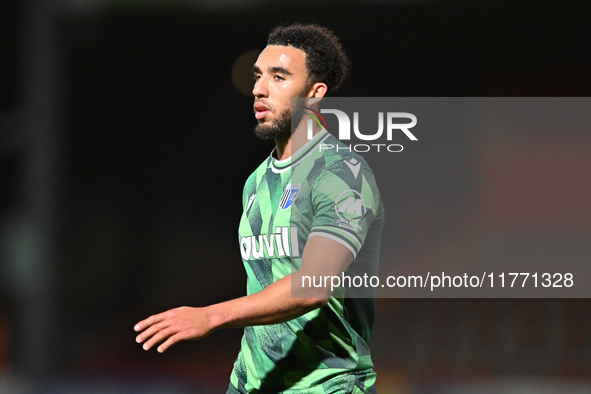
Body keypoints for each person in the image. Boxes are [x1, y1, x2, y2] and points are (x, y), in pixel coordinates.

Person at [134, 23, 384, 393]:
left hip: (327, 385)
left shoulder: (341, 174)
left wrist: (210, 316)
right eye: (258, 76)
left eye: (279, 77)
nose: (258, 89)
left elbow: (314, 286)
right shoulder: (257, 182)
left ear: (314, 94)